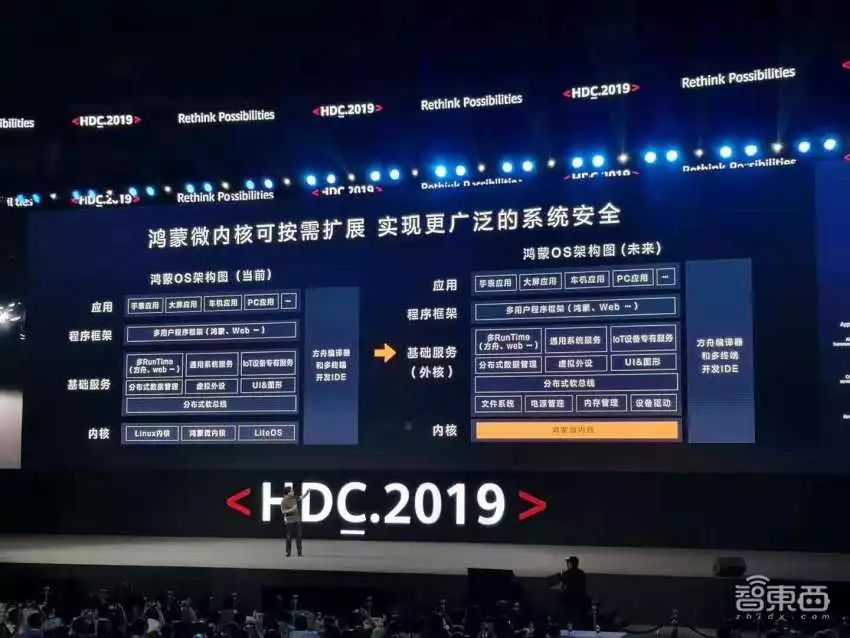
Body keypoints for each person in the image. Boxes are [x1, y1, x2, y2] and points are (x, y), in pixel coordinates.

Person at [558, 556, 589, 628]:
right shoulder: (581, 573)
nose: (567, 564)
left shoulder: (567, 573)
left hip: (570, 599)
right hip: (580, 599)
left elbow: (562, 586)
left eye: (568, 563)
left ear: (571, 564)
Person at [280, 486, 304, 557]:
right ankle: (288, 552)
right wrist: (292, 509)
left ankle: (299, 553)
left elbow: (301, 497)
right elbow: (283, 511)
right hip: (289, 521)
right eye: (292, 491)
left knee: (299, 536)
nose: (293, 492)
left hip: (297, 520)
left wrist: (306, 493)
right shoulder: (284, 501)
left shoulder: (294, 498)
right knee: (289, 537)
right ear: (288, 492)